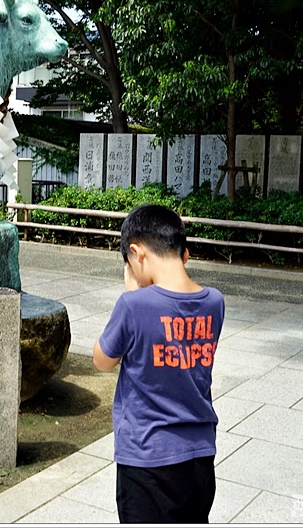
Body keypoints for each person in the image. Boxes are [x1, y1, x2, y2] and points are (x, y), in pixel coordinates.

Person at [93, 203, 225, 523]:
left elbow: (102, 359)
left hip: (146, 458)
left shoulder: (133, 304)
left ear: (138, 254)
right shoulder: (215, 302)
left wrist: (130, 292)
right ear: (185, 254)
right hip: (199, 457)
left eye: (130, 263)